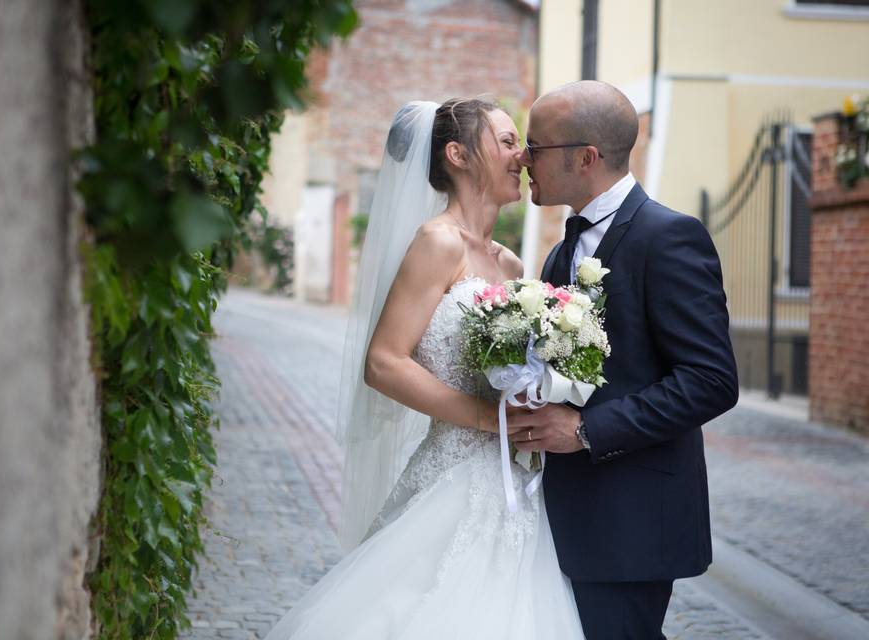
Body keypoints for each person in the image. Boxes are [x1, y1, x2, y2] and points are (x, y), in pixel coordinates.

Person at [264, 98, 585, 639]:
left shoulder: (511, 264)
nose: (523, 157)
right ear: (457, 155)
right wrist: (488, 419)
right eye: (507, 142)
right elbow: (384, 362)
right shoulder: (438, 243)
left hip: (515, 485)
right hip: (453, 474)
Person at [509, 80, 739, 639]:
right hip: (567, 512)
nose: (521, 159)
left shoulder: (670, 237)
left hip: (633, 517)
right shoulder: (562, 252)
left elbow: (711, 380)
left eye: (535, 147)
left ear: (585, 158)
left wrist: (586, 429)